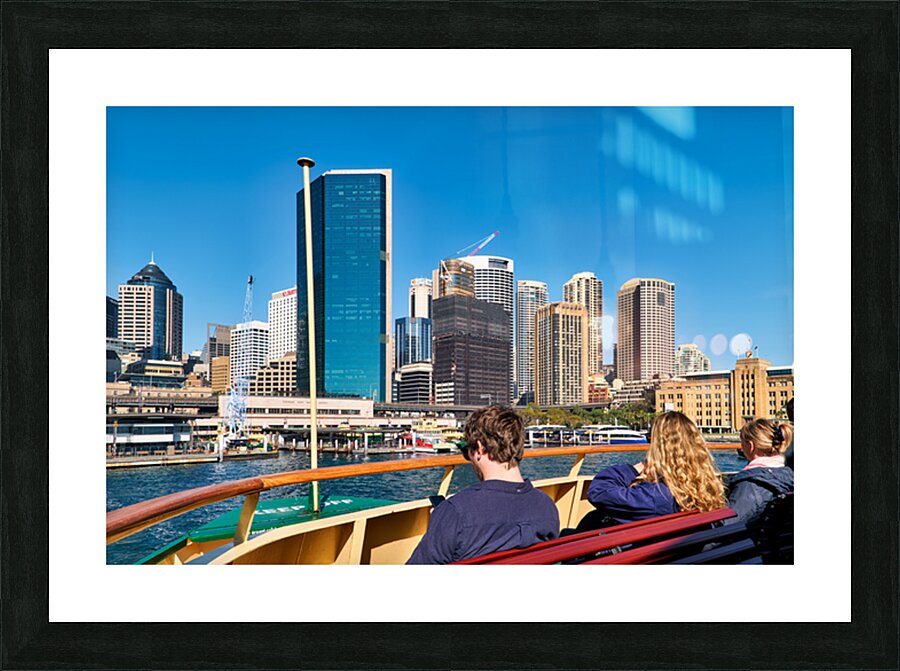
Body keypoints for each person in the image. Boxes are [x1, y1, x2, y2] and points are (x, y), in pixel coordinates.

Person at [406, 405, 560, 564]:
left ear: (479, 449)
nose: (468, 458)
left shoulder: (456, 513)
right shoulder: (547, 507)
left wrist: (442, 523)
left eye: (467, 452)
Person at [582, 411, 726, 528]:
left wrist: (637, 467)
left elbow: (598, 491)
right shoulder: (705, 490)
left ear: (659, 449)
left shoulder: (654, 496)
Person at [727, 418, 794, 527]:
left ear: (750, 446)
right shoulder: (789, 475)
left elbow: (728, 525)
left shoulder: (750, 486)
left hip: (751, 542)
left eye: (742, 443)